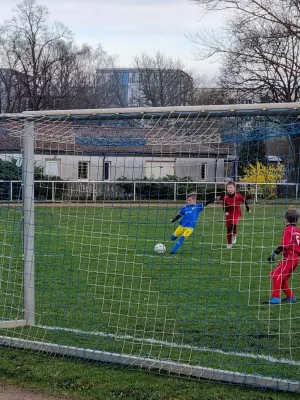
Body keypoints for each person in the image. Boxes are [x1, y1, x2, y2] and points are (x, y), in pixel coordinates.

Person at [263, 208, 300, 305]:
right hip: (295, 258)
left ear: (286, 219)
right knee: (283, 279)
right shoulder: (297, 230)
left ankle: (275, 298)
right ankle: (291, 297)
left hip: (289, 258)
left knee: (276, 275)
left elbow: (284, 245)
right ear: (297, 220)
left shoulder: (288, 230)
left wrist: (273, 254)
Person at [222, 181, 251, 249]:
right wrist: (225, 212)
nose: (229, 188)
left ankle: (234, 235)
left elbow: (244, 201)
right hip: (229, 214)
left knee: (233, 224)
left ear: (234, 188)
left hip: (236, 213)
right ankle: (229, 243)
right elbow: (224, 206)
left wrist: (248, 209)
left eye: (231, 187)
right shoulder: (225, 197)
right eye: (228, 187)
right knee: (229, 229)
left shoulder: (238, 196)